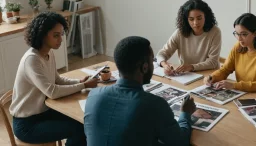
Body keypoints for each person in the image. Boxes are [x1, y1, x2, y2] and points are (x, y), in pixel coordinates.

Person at [84, 36, 196, 146]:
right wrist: (185, 113)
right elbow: (181, 142)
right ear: (145, 67)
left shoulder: (93, 95)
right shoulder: (154, 105)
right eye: (152, 61)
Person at [9, 11, 98, 145]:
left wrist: (79, 81)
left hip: (43, 113)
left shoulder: (48, 53)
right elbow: (52, 91)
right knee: (77, 128)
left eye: (61, 34)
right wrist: (83, 86)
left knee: (83, 121)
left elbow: (57, 79)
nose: (61, 40)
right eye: (56, 35)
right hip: (27, 124)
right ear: (42, 35)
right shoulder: (32, 59)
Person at [204, 13, 256, 94]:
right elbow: (225, 70)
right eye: (237, 34)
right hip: (242, 94)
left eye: (244, 34)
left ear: (255, 33)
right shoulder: (238, 47)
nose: (239, 38)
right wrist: (212, 77)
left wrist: (234, 85)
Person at [156, 0, 221, 75]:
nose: (195, 23)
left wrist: (191, 67)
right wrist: (165, 65)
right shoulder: (180, 33)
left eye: (199, 18)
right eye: (191, 19)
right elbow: (162, 54)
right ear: (186, 20)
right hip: (187, 76)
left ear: (206, 16)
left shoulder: (215, 32)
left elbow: (212, 62)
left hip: (209, 76)